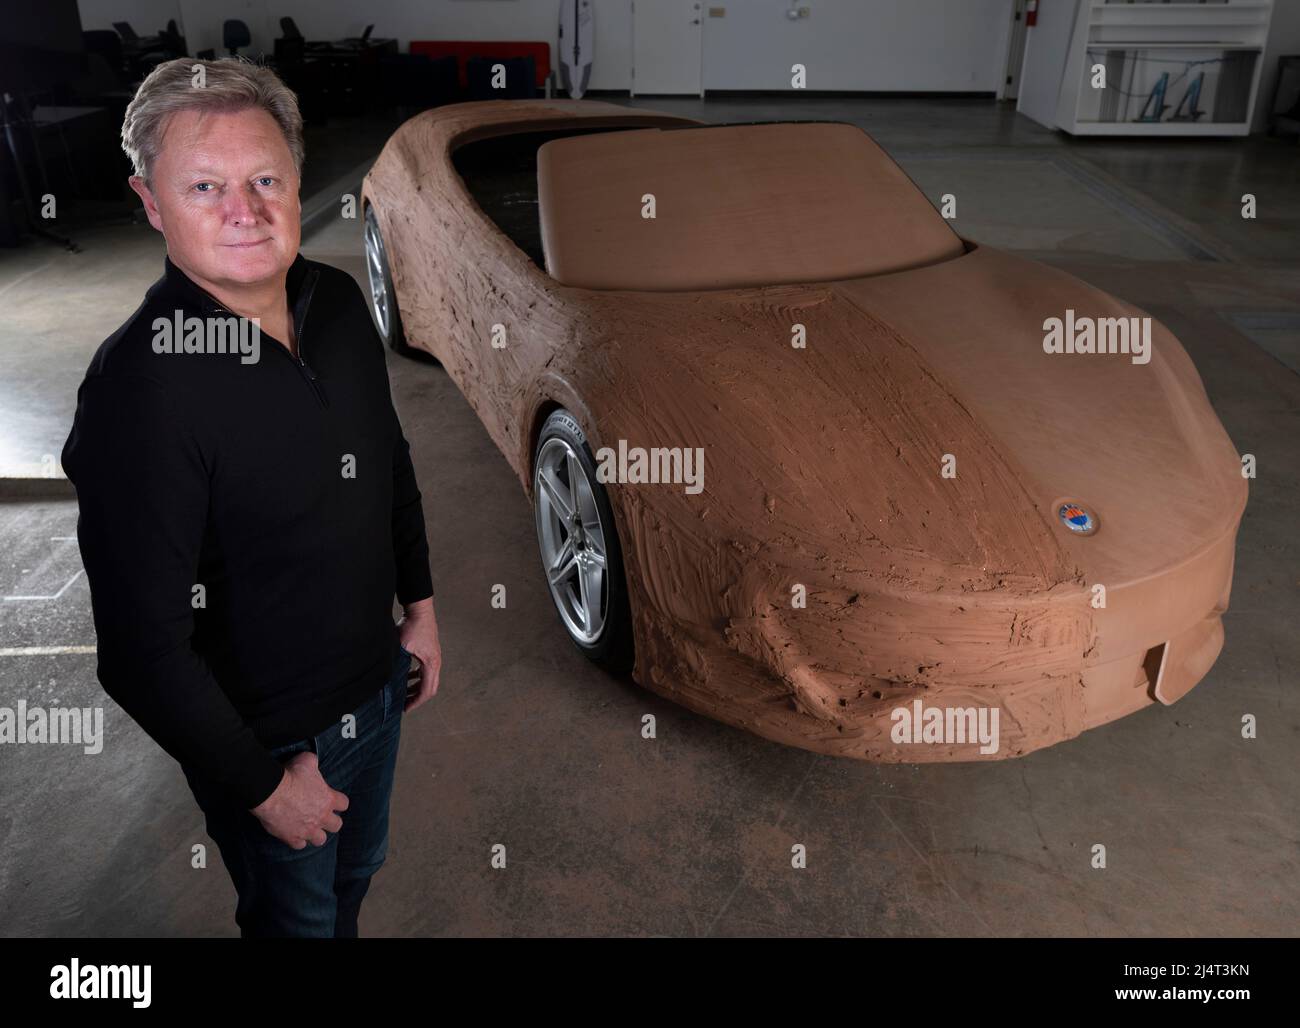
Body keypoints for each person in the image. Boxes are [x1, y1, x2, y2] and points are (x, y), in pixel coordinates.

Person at [61, 57, 442, 937]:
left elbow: (388, 460)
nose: (246, 208)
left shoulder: (340, 305)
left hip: (379, 687)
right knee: (294, 922)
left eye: (265, 177)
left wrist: (419, 609)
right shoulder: (140, 395)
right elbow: (138, 652)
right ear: (151, 203)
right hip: (275, 745)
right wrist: (266, 787)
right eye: (204, 185)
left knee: (357, 880)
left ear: (298, 180)